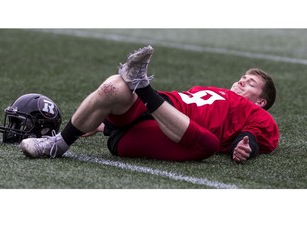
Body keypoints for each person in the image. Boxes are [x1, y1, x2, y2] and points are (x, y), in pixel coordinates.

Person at [20, 45, 279, 163]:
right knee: (114, 84)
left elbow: (253, 137)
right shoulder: (213, 91)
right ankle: (58, 143)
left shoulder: (258, 115)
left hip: (180, 138)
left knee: (209, 143)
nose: (242, 81)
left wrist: (246, 148)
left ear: (261, 101)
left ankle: (142, 86)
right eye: (242, 77)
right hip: (154, 112)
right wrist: (101, 125)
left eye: (251, 82)